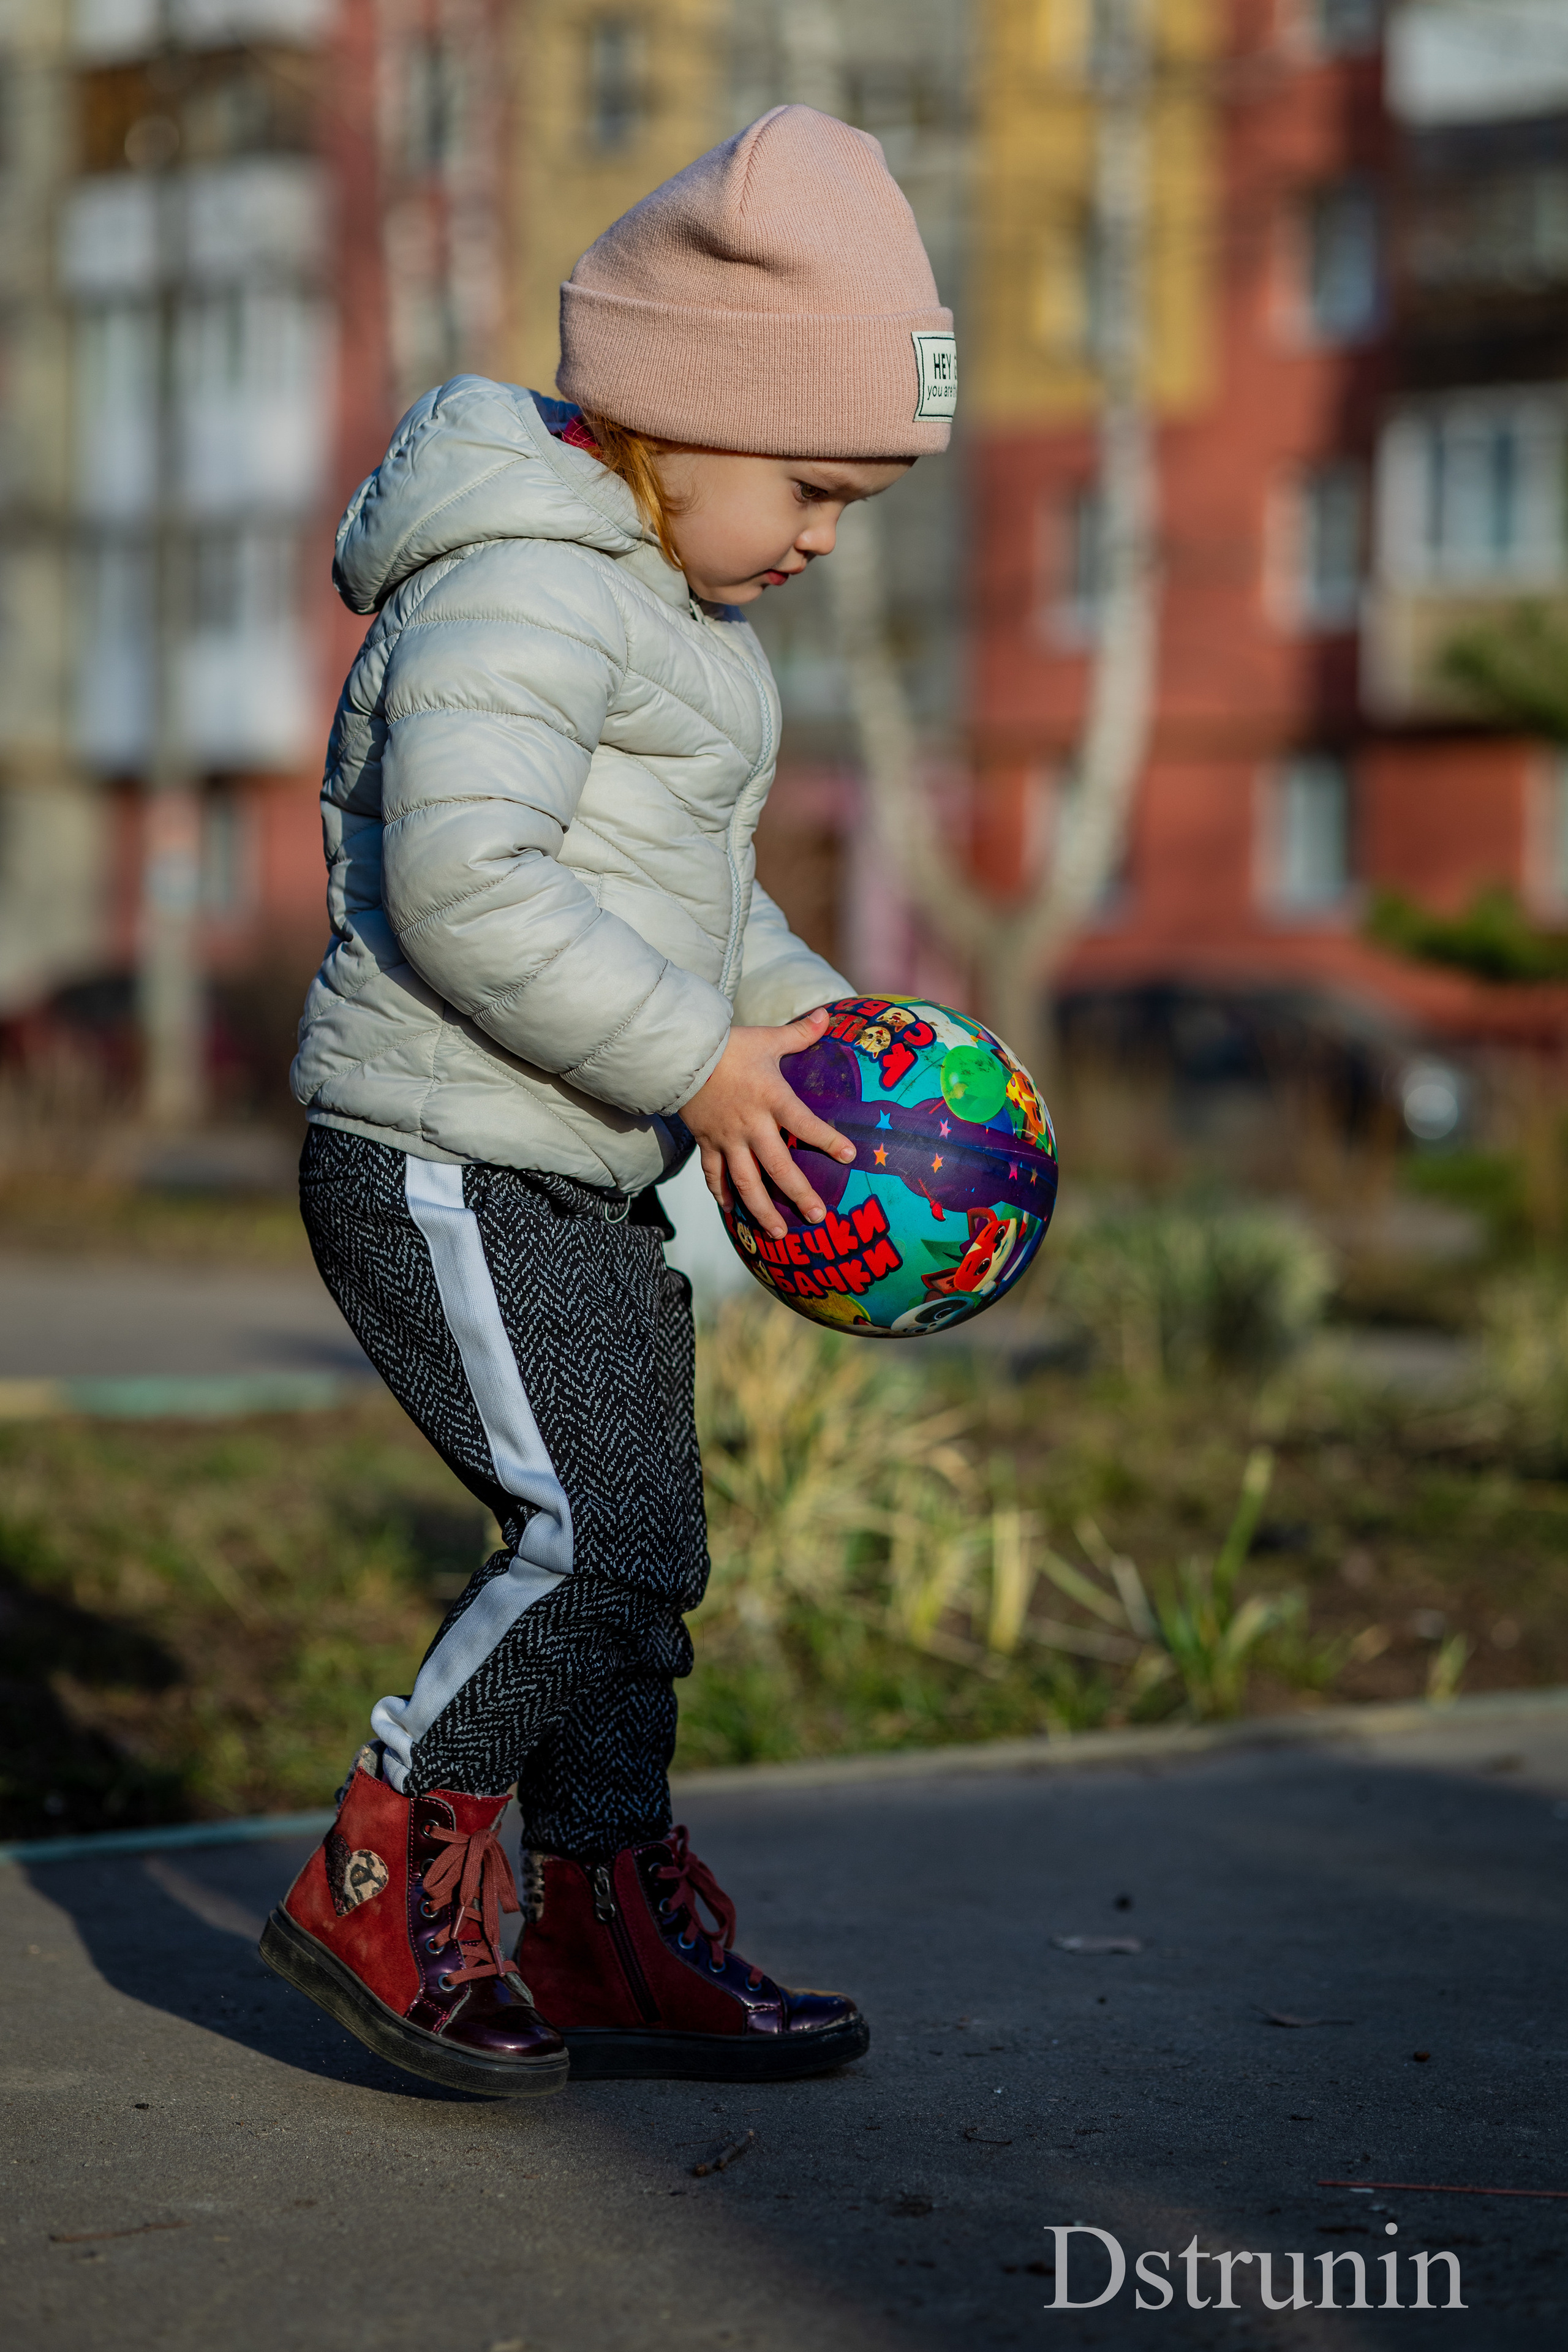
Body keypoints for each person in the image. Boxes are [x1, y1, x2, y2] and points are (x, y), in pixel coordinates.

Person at [259, 104, 955, 2097]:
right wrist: (704, 1066)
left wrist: (822, 1042)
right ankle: (390, 1872)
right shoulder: (522, 587)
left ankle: (595, 1908)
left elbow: (705, 908)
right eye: (814, 483)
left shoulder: (675, 617)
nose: (825, 532)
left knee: (648, 1552)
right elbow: (467, 887)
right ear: (679, 413)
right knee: (585, 1538)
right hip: (439, 1153)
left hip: (568, 1160)